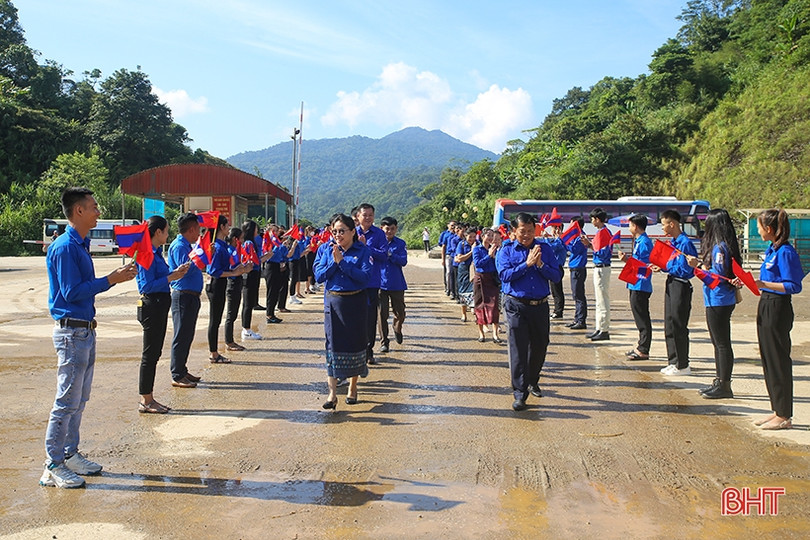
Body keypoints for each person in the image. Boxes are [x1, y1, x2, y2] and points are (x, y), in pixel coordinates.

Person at [40, 187, 137, 489]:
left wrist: (113, 278)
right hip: (71, 332)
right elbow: (71, 292)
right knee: (66, 401)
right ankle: (53, 464)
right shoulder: (65, 247)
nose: (98, 212)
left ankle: (69, 454)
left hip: (84, 330)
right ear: (78, 211)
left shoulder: (80, 244)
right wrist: (111, 279)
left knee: (78, 400)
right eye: (94, 207)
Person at [496, 212, 563, 411]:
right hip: (516, 305)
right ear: (514, 231)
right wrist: (526, 264)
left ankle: (533, 380)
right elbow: (504, 275)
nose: (526, 235)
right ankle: (519, 393)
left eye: (530, 231)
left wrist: (540, 265)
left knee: (540, 345)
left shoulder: (545, 249)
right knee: (518, 348)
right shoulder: (506, 250)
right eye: (522, 231)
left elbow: (556, 276)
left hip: (540, 305)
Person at [750, 209, 804, 430]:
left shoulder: (785, 252)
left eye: (759, 227)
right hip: (766, 302)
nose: (758, 231)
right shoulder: (772, 250)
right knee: (768, 358)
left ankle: (784, 415)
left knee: (778, 359)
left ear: (769, 229)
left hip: (778, 307)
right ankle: (777, 410)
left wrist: (764, 284)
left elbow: (794, 285)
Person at [313, 213, 372, 409]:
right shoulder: (325, 249)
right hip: (334, 302)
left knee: (356, 344)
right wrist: (334, 261)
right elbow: (319, 276)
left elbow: (365, 277)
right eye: (334, 231)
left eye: (342, 231)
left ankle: (353, 387)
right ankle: (332, 394)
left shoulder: (362, 251)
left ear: (352, 232)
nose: (337, 235)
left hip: (356, 301)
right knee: (332, 345)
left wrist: (343, 263)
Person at [685, 209, 742, 399]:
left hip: (719, 299)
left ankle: (725, 384)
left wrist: (698, 266)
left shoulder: (720, 248)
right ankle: (720, 380)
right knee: (718, 343)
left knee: (721, 343)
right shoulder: (725, 246)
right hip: (718, 299)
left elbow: (716, 277)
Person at [136, 216, 190, 414]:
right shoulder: (146, 253)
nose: (168, 234)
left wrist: (174, 273)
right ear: (157, 232)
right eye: (166, 231)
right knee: (149, 355)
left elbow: (161, 277)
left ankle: (149, 398)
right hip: (152, 305)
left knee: (155, 353)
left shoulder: (157, 253)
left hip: (160, 304)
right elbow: (146, 286)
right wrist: (171, 276)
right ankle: (146, 400)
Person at [650, 209, 698, 376]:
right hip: (671, 282)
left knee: (678, 324)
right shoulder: (673, 243)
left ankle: (683, 364)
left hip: (681, 285)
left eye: (664, 224)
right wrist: (662, 267)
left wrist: (667, 267)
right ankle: (673, 361)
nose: (662, 228)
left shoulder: (685, 243)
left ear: (672, 224)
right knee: (669, 324)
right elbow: (671, 264)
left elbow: (686, 269)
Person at [206, 216, 251, 363]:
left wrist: (240, 269)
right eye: (227, 225)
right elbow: (214, 271)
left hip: (221, 283)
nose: (229, 228)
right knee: (215, 320)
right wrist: (234, 273)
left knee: (217, 319)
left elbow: (229, 266)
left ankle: (216, 351)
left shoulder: (222, 246)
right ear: (221, 227)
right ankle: (214, 353)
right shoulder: (217, 247)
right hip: (216, 284)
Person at [168, 213, 205, 389]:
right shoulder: (179, 246)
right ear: (191, 229)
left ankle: (182, 370)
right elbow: (185, 270)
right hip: (183, 295)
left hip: (191, 296)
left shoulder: (187, 246)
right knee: (181, 335)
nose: (199, 233)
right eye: (198, 229)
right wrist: (201, 256)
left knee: (187, 335)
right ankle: (177, 374)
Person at [356, 203, 388, 365]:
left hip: (371, 282)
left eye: (370, 215)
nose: (368, 218)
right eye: (365, 215)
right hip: (353, 282)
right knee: (354, 317)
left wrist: (366, 247)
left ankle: (368, 350)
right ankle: (355, 350)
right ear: (358, 216)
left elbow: (384, 255)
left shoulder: (379, 234)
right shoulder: (351, 232)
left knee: (370, 317)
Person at [618, 214, 653, 360]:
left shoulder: (644, 242)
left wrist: (627, 260)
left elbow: (644, 266)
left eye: (630, 225)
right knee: (639, 316)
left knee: (642, 317)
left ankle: (643, 349)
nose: (629, 228)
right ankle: (641, 345)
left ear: (636, 226)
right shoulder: (639, 241)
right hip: (635, 283)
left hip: (641, 284)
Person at [582, 208, 612, 341]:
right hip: (600, 267)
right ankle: (599, 327)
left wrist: (589, 244)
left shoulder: (603, 233)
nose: (591, 221)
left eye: (592, 219)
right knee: (599, 300)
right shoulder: (602, 232)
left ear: (597, 219)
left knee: (602, 299)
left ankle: (604, 329)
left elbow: (602, 252)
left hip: (602, 267)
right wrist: (589, 244)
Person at [379, 216, 408, 353]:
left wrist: (391, 255)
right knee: (381, 315)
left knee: (400, 312)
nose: (389, 231)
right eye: (387, 229)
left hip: (396, 283)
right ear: (381, 229)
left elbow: (403, 261)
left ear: (396, 229)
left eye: (392, 229)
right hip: (380, 283)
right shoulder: (377, 243)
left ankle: (397, 328)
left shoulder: (400, 243)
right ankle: (384, 342)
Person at [472, 228, 502, 343]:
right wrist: (489, 256)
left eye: (492, 236)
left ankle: (495, 334)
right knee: (479, 304)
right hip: (480, 279)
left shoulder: (495, 249)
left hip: (492, 279)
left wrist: (494, 257)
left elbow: (499, 265)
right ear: (482, 236)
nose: (490, 238)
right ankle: (481, 333)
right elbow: (478, 263)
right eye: (488, 235)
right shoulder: (477, 249)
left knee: (494, 306)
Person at [240, 220, 268, 341]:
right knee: (247, 303)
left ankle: (247, 329)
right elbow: (251, 261)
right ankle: (246, 330)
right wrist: (265, 258)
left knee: (249, 302)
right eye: (256, 228)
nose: (258, 230)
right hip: (250, 275)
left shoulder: (251, 242)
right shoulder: (249, 243)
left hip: (254, 273)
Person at [264, 227, 295, 323]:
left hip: (277, 267)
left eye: (277, 231)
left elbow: (285, 254)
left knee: (275, 291)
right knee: (271, 292)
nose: (276, 233)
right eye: (275, 231)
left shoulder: (278, 243)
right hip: (271, 266)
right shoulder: (269, 242)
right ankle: (269, 314)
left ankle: (272, 313)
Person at [224, 227, 247, 352]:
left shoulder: (235, 250)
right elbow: (231, 268)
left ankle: (231, 340)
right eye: (241, 238)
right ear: (235, 239)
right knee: (231, 314)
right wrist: (241, 269)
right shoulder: (230, 251)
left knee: (233, 314)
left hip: (237, 281)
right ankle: (229, 341)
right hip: (232, 283)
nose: (243, 241)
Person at [564, 217, 588, 330]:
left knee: (579, 295)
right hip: (575, 267)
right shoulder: (576, 236)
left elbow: (574, 249)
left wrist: (564, 241)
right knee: (576, 295)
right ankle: (577, 319)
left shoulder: (580, 237)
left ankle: (581, 320)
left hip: (578, 268)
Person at [544, 224, 568, 319]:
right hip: (553, 267)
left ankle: (558, 311)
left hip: (557, 267)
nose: (551, 230)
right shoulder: (555, 240)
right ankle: (556, 310)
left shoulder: (560, 240)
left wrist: (546, 238)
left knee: (557, 291)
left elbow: (551, 248)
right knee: (554, 291)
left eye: (553, 228)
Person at [455, 227, 477, 322]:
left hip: (475, 269)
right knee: (463, 291)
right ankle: (464, 313)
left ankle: (476, 314)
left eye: (474, 237)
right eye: (470, 237)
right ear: (465, 236)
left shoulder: (478, 244)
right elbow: (460, 258)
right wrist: (472, 251)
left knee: (475, 291)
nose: (472, 239)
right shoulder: (462, 244)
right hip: (464, 270)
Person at [446, 223, 461, 300]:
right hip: (453, 257)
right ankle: (452, 292)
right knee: (452, 275)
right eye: (456, 228)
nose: (457, 230)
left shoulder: (465, 240)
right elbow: (452, 249)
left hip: (462, 259)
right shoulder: (452, 239)